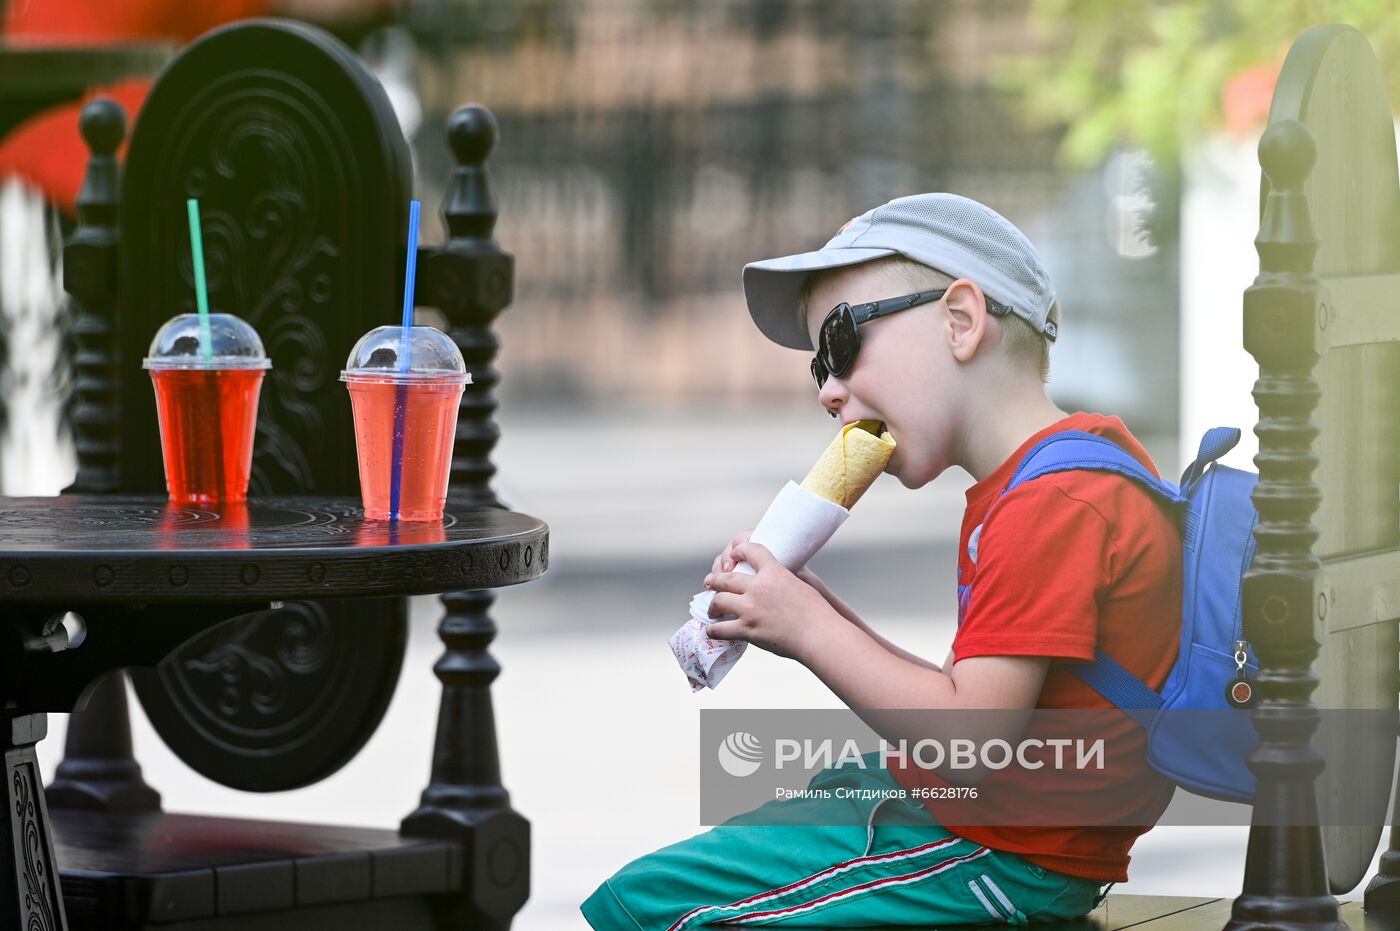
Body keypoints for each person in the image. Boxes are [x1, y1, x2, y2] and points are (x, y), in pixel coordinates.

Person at [582, 193, 1182, 928]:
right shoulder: (1068, 472)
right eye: (817, 369)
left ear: (959, 322)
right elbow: (973, 699)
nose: (830, 389)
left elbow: (970, 743)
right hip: (975, 827)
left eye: (840, 345)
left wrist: (807, 629)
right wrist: (811, 605)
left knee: (653, 904)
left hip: (996, 858)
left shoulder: (1052, 505)